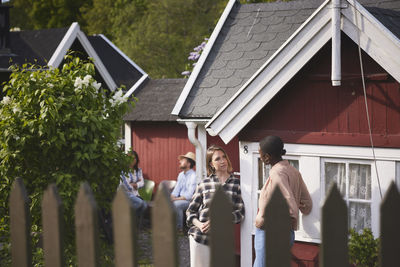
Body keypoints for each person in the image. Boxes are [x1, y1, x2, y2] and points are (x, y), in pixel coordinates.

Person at [253, 136, 312, 267]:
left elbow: (288, 200)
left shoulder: (277, 173)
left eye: (261, 154)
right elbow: (307, 204)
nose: (260, 157)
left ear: (267, 157)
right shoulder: (294, 172)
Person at [186, 145, 245, 267]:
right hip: (200, 238)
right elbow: (190, 211)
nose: (223, 161)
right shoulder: (204, 184)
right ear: (211, 164)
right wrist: (199, 224)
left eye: (224, 157)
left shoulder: (237, 184)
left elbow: (240, 213)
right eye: (217, 159)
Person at [170, 151, 197, 231]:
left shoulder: (194, 176)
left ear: (188, 164)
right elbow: (176, 189)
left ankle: (179, 229)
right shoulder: (181, 175)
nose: (180, 161)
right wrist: (171, 197)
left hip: (189, 201)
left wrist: (175, 199)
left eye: (183, 160)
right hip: (180, 198)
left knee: (176, 204)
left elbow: (189, 195)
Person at [120, 150, 147, 217]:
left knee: (145, 206)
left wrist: (135, 184)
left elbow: (142, 183)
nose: (133, 160)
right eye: (130, 158)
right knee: (139, 203)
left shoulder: (138, 170)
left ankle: (134, 222)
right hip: (124, 193)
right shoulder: (123, 170)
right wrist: (137, 183)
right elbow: (126, 186)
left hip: (135, 194)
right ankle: (124, 216)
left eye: (134, 158)